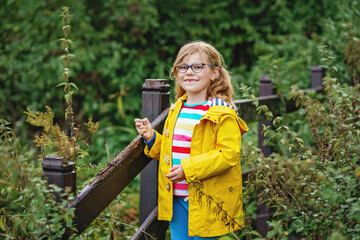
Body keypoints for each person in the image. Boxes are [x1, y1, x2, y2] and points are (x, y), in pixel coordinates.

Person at [135, 41, 248, 239]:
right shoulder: (177, 109)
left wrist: (188, 170)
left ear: (214, 73)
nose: (189, 72)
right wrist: (152, 138)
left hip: (206, 199)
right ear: (177, 73)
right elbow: (173, 150)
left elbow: (228, 154)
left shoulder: (222, 113)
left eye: (197, 67)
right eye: (183, 67)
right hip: (176, 198)